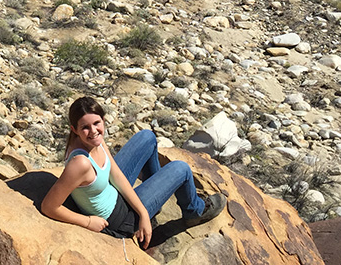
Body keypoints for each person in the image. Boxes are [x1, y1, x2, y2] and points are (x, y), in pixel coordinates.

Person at [40, 96, 226, 249]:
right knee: (181, 169)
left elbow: (117, 176)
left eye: (97, 123)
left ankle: (154, 204)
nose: (93, 131)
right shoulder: (80, 163)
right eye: (85, 127)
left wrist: (144, 212)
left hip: (114, 191)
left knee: (147, 137)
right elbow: (49, 206)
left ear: (103, 120)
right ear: (74, 130)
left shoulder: (94, 141)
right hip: (121, 220)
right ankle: (194, 212)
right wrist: (88, 222)